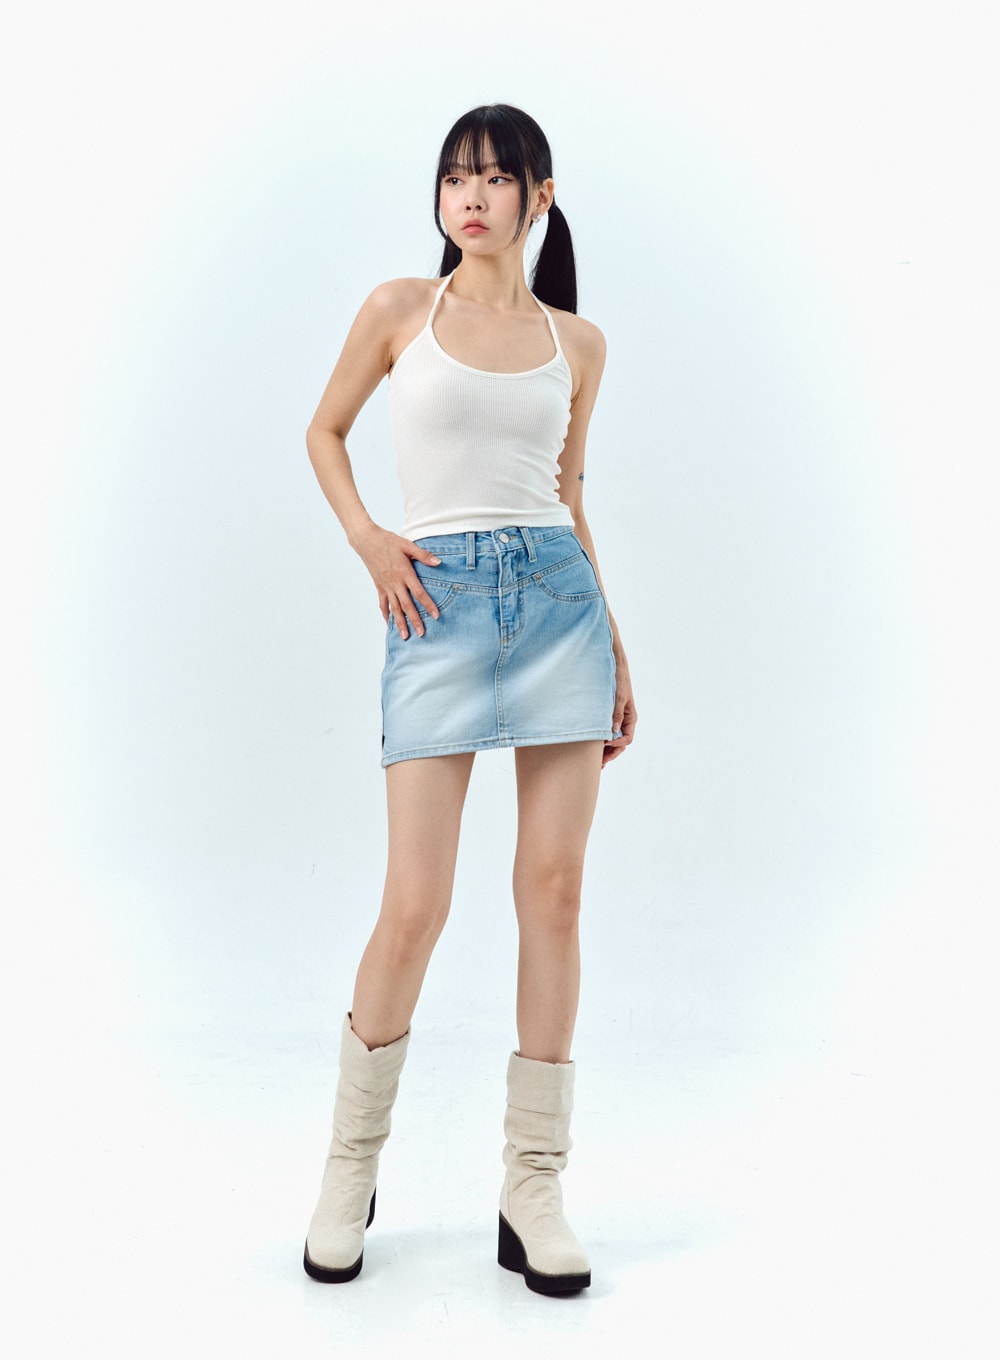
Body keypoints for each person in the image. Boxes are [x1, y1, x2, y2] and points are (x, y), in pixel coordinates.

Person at [302, 103, 636, 1296]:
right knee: (415, 903)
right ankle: (349, 1167)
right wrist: (369, 540)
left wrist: (616, 646)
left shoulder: (577, 342)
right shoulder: (401, 309)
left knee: (553, 891)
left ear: (539, 196)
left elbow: (568, 495)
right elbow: (325, 430)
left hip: (557, 609)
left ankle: (531, 1186)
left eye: (496, 179)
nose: (472, 198)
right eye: (455, 179)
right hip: (432, 611)